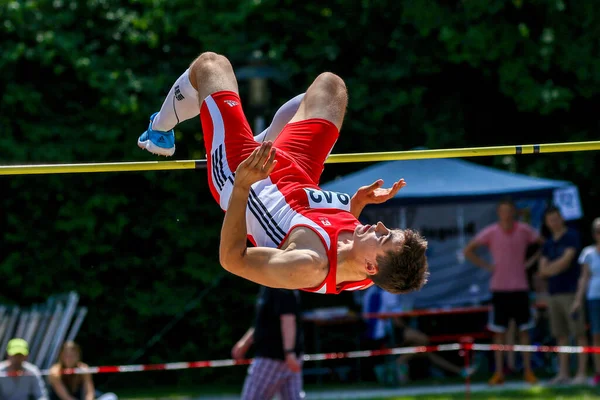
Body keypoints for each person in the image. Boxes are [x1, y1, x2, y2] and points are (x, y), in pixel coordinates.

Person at [138, 52, 429, 295]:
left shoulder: (305, 265)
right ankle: (265, 140)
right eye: (387, 230)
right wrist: (356, 204)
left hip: (248, 176)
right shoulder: (369, 272)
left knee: (211, 66)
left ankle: (159, 130)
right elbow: (327, 229)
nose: (378, 225)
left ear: (370, 266)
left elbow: (231, 259)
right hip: (298, 173)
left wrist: (241, 186)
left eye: (383, 237)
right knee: (330, 88)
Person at [463, 198, 542, 385]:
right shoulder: (491, 232)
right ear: (499, 213)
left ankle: (528, 372)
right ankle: (499, 373)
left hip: (521, 288)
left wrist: (530, 263)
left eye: (509, 210)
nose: (506, 214)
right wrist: (487, 266)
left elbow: (541, 243)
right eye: (503, 211)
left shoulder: (524, 230)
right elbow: (468, 250)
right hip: (499, 289)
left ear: (513, 212)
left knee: (524, 332)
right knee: (499, 333)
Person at [362, 286, 476, 384]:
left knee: (425, 351)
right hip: (386, 333)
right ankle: (398, 363)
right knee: (423, 340)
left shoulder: (369, 292)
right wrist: (408, 328)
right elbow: (395, 319)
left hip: (371, 335)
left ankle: (461, 371)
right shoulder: (387, 292)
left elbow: (366, 316)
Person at [538, 206, 587, 385]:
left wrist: (549, 269)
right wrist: (550, 269)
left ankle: (581, 374)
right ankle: (563, 374)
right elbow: (541, 271)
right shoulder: (548, 243)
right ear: (546, 222)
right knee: (560, 335)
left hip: (572, 292)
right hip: (553, 293)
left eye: (556, 218)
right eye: (550, 219)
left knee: (579, 333)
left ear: (562, 218)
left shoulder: (571, 236)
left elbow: (566, 262)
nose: (554, 222)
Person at [231, 287, 304, 400]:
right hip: (284, 356)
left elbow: (288, 320)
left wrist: (289, 352)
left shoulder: (283, 287)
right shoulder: (268, 287)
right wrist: (245, 342)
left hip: (272, 357)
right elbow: (262, 322)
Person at [572, 217, 600, 386]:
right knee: (596, 336)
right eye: (598, 231)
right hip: (593, 298)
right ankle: (598, 372)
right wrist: (577, 300)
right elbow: (584, 278)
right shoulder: (588, 253)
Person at [48, 341, 117, 400]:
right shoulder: (55, 371)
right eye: (66, 355)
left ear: (78, 356)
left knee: (111, 396)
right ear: (61, 356)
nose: (69, 358)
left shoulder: (83, 369)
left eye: (72, 355)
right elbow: (65, 397)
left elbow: (89, 392)